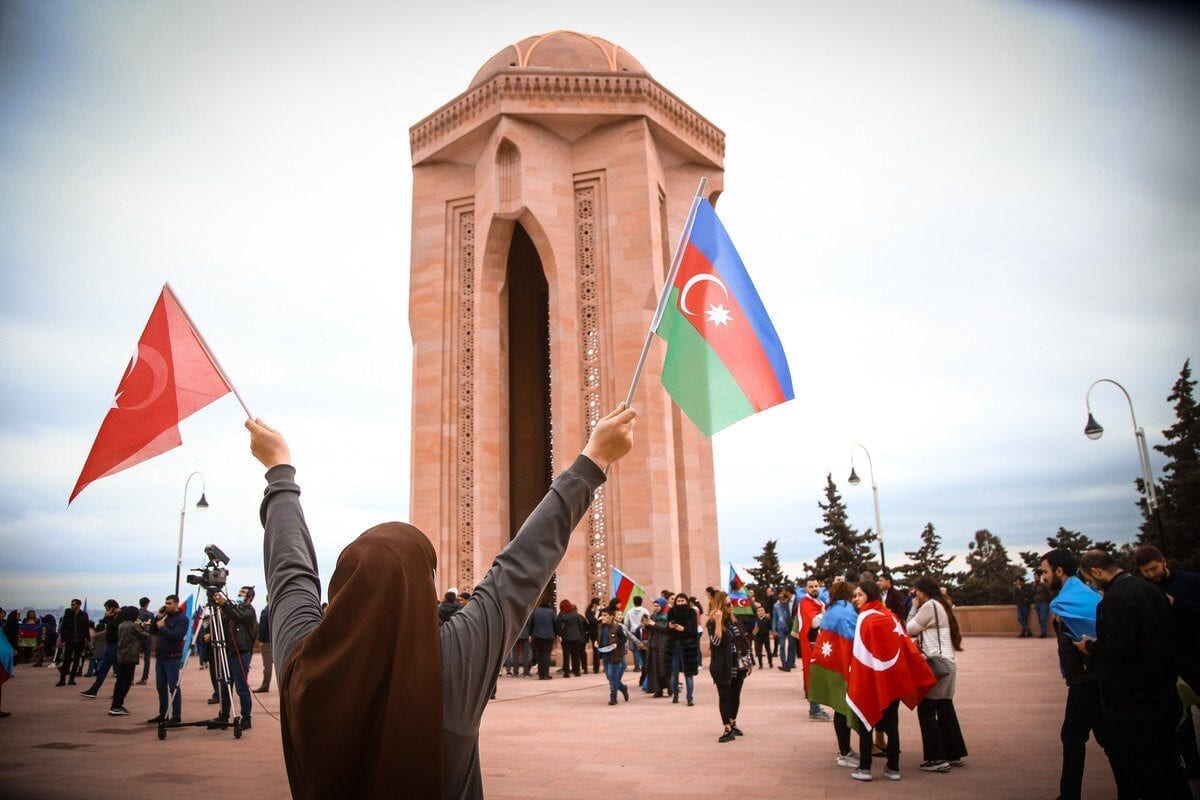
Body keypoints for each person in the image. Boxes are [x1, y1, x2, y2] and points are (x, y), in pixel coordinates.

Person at [248, 404, 635, 800]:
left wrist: (280, 473)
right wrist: (593, 461)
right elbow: (520, 569)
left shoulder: (302, 666)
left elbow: (289, 575)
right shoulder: (451, 663)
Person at [1074, 548, 1191, 799]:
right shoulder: (1152, 589)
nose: (1091, 584)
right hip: (1164, 692)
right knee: (1171, 765)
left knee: (1146, 770)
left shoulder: (1115, 598)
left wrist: (1090, 646)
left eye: (1090, 579)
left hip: (1133, 700)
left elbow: (1119, 649)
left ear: (1096, 571)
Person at [1040, 548, 1133, 800]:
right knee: (1108, 738)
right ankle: (1128, 790)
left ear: (1059, 571)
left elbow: (1096, 630)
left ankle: (1069, 795)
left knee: (1072, 736)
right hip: (1092, 676)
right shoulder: (1083, 594)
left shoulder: (1064, 601)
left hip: (1086, 679)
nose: (1044, 577)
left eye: (1046, 572)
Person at [906, 576, 968, 773]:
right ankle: (953, 753)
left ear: (922, 591)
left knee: (926, 709)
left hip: (936, 664)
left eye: (916, 592)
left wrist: (914, 607)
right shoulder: (940, 605)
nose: (915, 595)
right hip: (948, 662)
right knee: (945, 708)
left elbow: (909, 628)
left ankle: (936, 757)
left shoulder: (929, 606)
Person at [207, 586, 257, 730]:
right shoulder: (234, 609)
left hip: (242, 653)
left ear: (250, 597)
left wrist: (224, 604)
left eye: (243, 593)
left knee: (241, 688)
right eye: (239, 592)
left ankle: (246, 719)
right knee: (224, 687)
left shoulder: (249, 611)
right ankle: (224, 716)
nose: (239, 595)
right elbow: (224, 620)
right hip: (229, 652)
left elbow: (237, 616)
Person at [706, 590, 749, 743]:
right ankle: (727, 728)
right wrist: (718, 622)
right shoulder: (712, 623)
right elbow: (716, 643)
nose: (730, 607)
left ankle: (732, 722)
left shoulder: (734, 620)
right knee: (725, 696)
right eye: (727, 605)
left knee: (735, 695)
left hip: (738, 664)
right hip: (723, 666)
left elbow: (742, 640)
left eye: (731, 604)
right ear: (719, 606)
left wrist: (748, 659)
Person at [147, 594, 187, 725]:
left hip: (172, 656)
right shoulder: (165, 617)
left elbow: (176, 635)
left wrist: (163, 627)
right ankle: (163, 714)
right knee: (160, 686)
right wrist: (157, 617)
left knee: (173, 686)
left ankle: (176, 716)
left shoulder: (182, 619)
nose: (167, 605)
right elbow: (152, 630)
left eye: (169, 603)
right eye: (166, 603)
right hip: (161, 655)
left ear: (176, 604)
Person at [798, 577, 830, 721]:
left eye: (816, 586)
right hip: (810, 645)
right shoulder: (805, 604)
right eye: (811, 587)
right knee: (813, 675)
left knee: (818, 675)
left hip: (818, 645)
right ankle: (815, 709)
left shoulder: (819, 602)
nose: (814, 589)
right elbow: (813, 623)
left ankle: (816, 707)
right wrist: (823, 614)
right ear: (806, 589)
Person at [109, 606, 148, 716]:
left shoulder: (121, 625)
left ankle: (115, 704)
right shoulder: (133, 626)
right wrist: (146, 627)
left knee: (119, 681)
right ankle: (117, 706)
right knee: (126, 682)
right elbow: (145, 636)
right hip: (130, 656)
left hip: (121, 655)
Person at [78, 600, 120, 699]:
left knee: (119, 671)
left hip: (116, 646)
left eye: (107, 609)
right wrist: (107, 617)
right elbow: (102, 623)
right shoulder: (110, 617)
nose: (106, 611)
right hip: (109, 646)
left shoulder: (121, 617)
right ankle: (93, 690)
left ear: (112, 608)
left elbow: (114, 626)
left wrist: (108, 618)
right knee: (102, 670)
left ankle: (119, 692)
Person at [667, 592, 699, 706]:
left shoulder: (691, 612)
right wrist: (670, 626)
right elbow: (667, 629)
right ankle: (675, 695)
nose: (680, 603)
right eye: (678, 601)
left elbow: (694, 631)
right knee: (674, 673)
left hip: (688, 646)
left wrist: (683, 629)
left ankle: (689, 698)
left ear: (686, 601)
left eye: (682, 601)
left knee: (688, 674)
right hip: (674, 645)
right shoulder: (671, 611)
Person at [597, 608, 628, 704]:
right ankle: (623, 687)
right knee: (609, 677)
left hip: (614, 655)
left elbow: (624, 639)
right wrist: (596, 642)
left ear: (611, 617)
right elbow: (599, 638)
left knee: (612, 677)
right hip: (604, 654)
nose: (603, 617)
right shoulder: (600, 627)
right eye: (602, 615)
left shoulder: (617, 627)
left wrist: (616, 644)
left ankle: (613, 698)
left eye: (605, 615)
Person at [641, 598, 671, 696]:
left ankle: (670, 687)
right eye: (654, 606)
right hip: (653, 644)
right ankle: (659, 689)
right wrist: (647, 624)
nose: (656, 608)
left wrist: (654, 624)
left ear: (662, 605)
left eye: (657, 606)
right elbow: (650, 629)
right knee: (655, 668)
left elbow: (667, 629)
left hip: (664, 644)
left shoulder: (668, 615)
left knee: (664, 668)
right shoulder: (653, 615)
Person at [56, 599, 88, 686]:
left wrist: (87, 639)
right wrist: (63, 640)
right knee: (67, 659)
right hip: (70, 640)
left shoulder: (84, 615)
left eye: (73, 604)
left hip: (80, 640)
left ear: (78, 605)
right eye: (71, 604)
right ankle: (62, 679)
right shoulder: (68, 615)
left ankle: (72, 679)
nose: (72, 606)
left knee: (77, 660)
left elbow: (86, 627)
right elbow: (62, 628)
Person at [555, 600, 587, 677]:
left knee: (566, 655)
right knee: (576, 654)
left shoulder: (561, 615)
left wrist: (559, 634)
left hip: (566, 637)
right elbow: (580, 626)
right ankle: (577, 671)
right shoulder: (576, 614)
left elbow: (557, 626)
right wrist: (579, 634)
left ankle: (567, 672)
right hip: (576, 637)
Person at [530, 598, 557, 680]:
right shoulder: (551, 612)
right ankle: (545, 674)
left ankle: (541, 674)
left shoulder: (535, 611)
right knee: (546, 655)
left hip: (537, 636)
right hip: (548, 636)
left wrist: (530, 634)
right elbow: (556, 623)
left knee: (539, 654)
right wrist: (555, 633)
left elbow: (531, 623)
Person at [622, 595, 648, 673]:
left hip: (633, 632)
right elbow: (648, 620)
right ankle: (643, 665)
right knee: (643, 648)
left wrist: (628, 631)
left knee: (635, 650)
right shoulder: (645, 611)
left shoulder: (629, 611)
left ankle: (637, 666)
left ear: (634, 602)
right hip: (643, 632)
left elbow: (626, 623)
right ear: (641, 602)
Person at [254, 601, 273, 692]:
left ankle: (265, 685)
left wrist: (261, 639)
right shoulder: (276, 610)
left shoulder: (265, 611)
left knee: (267, 665)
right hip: (277, 639)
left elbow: (263, 627)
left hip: (267, 641)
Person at [751, 604, 773, 669]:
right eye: (759, 611)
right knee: (759, 651)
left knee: (768, 650)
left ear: (764, 611)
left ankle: (770, 663)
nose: (760, 612)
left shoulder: (767, 619)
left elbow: (770, 627)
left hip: (766, 637)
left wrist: (771, 633)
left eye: (762, 610)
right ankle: (760, 664)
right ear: (757, 613)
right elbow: (752, 629)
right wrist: (753, 632)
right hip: (758, 638)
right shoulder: (755, 620)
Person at [1031, 571, 1052, 638]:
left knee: (1043, 618)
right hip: (1037, 603)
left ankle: (1043, 633)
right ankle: (1042, 632)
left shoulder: (1044, 585)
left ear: (1039, 577)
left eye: (1036, 576)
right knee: (1040, 619)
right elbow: (1032, 593)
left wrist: (1048, 602)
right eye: (1034, 577)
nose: (1035, 578)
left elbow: (1049, 594)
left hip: (1043, 603)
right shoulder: (1034, 585)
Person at [584, 597, 601, 674]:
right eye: (598, 603)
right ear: (595, 604)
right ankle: (596, 668)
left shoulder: (600, 610)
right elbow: (593, 621)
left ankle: (600, 666)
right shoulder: (589, 611)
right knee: (596, 649)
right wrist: (597, 615)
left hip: (600, 631)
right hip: (593, 632)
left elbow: (603, 619)